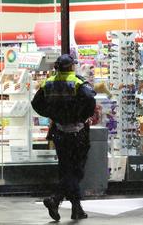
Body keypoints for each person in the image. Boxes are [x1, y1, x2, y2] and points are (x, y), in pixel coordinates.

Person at [31, 53, 96, 221]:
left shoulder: (49, 83)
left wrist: (52, 114)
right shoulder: (77, 82)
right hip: (78, 132)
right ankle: (56, 199)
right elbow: (90, 99)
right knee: (76, 171)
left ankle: (76, 209)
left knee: (66, 170)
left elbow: (36, 103)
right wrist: (83, 115)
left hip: (59, 132)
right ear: (72, 66)